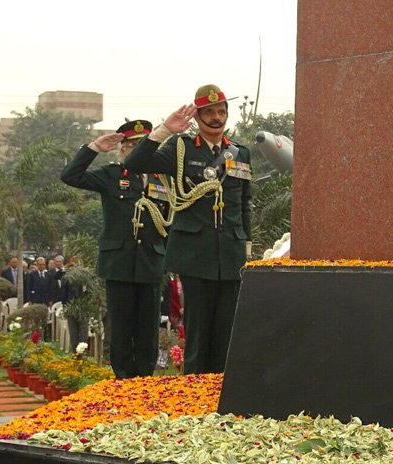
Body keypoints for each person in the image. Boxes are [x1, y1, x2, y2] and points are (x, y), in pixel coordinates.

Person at [125, 84, 252, 374]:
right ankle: (195, 395)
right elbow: (135, 162)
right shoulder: (180, 148)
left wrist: (246, 247)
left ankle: (220, 393)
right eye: (209, 112)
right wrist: (164, 130)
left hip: (231, 254)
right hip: (195, 255)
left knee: (226, 333)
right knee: (197, 334)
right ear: (197, 117)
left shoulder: (240, 153)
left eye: (221, 111)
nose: (217, 118)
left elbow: (244, 204)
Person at [61, 119, 167, 379]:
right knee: (120, 329)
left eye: (142, 145)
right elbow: (70, 176)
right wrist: (94, 147)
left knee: (147, 330)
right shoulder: (111, 175)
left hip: (151, 262)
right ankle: (122, 380)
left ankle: (144, 381)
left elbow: (170, 219)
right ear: (122, 149)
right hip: (119, 263)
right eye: (131, 145)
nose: (136, 150)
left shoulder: (162, 178)